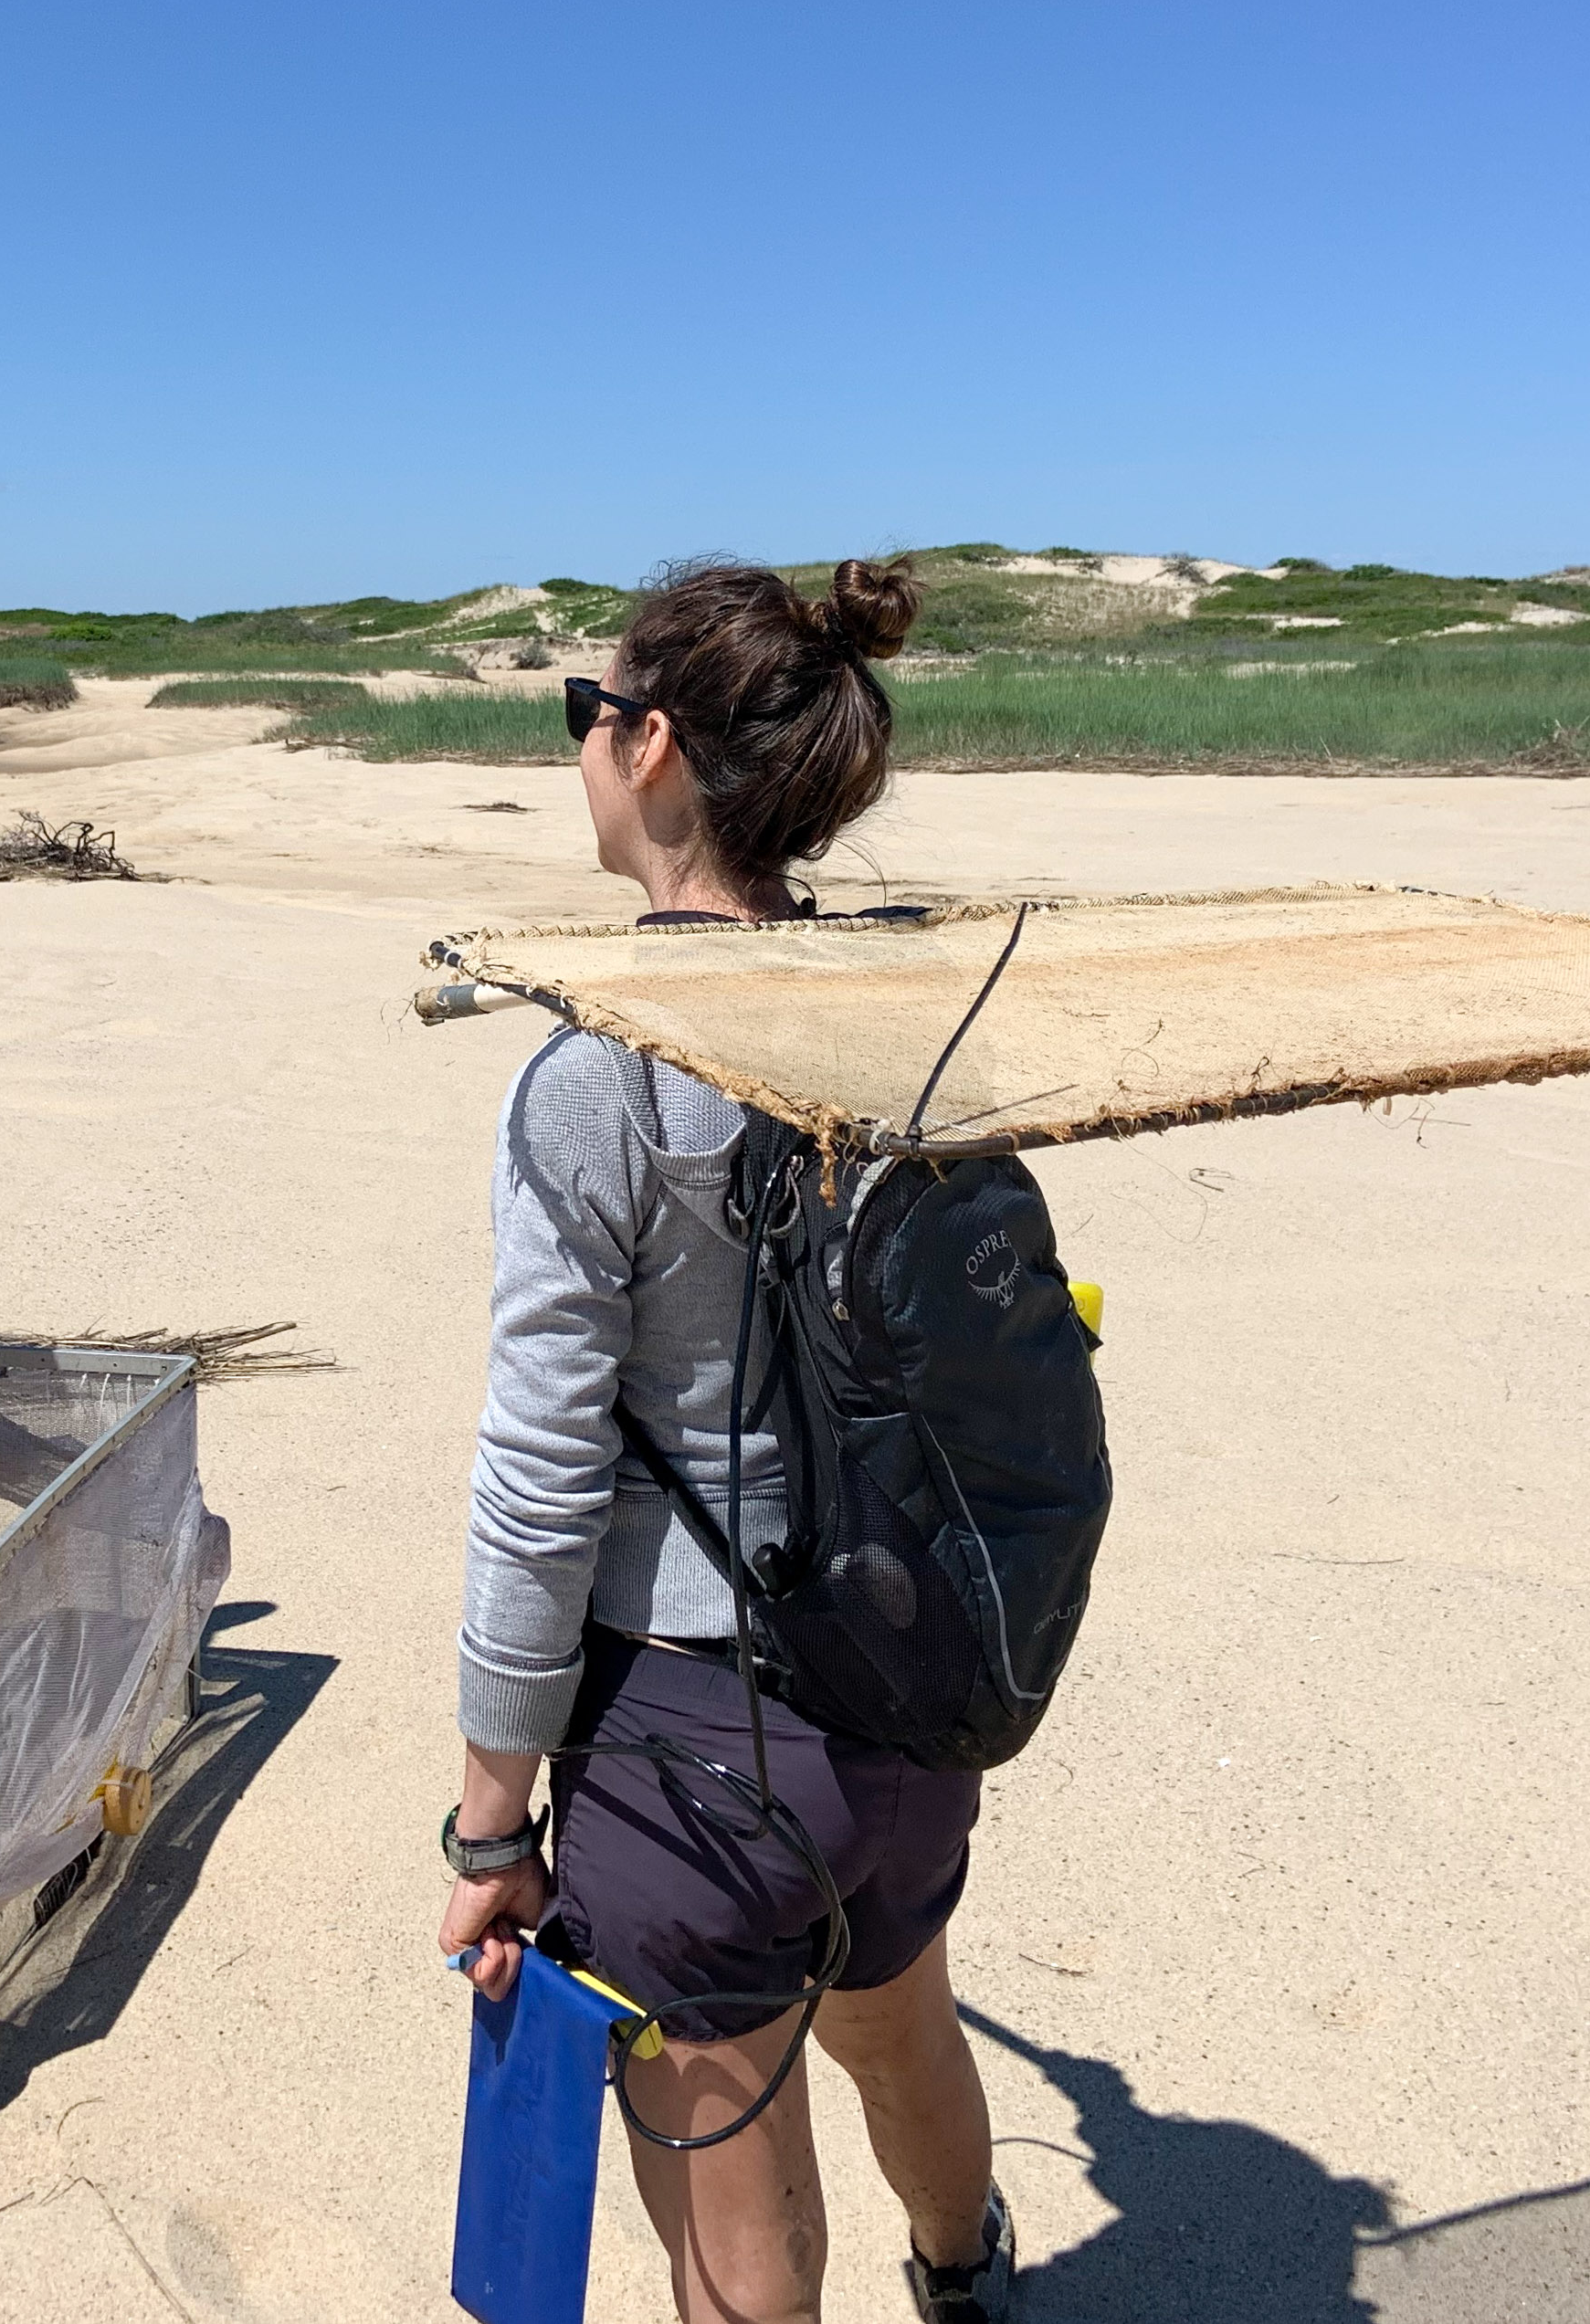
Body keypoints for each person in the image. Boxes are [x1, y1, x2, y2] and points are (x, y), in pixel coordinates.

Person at [438, 555, 1018, 2324]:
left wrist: (487, 1818)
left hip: (697, 1719)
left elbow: (543, 1472)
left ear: (654, 746)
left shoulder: (599, 1067)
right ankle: (963, 2274)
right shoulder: (912, 1015)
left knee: (723, 2158)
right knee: (899, 2015)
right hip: (907, 1667)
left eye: (585, 716)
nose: (583, 750)